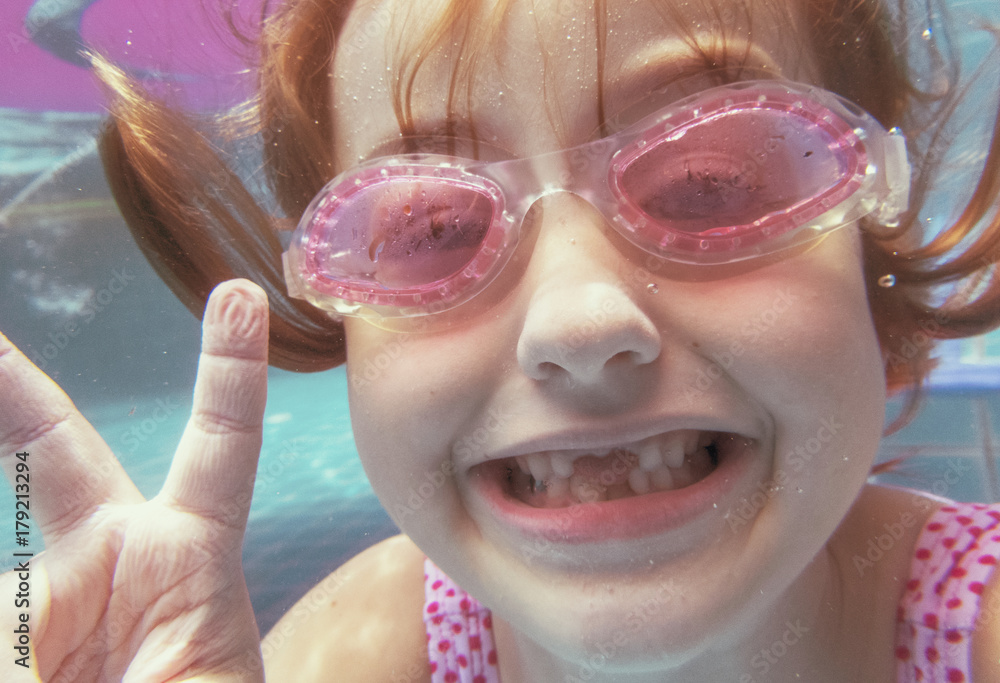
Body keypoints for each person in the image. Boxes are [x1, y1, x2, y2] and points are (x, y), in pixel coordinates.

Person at [3, 0, 1000, 680]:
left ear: (870, 243)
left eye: (710, 182)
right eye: (433, 228)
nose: (581, 321)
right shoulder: (372, 650)